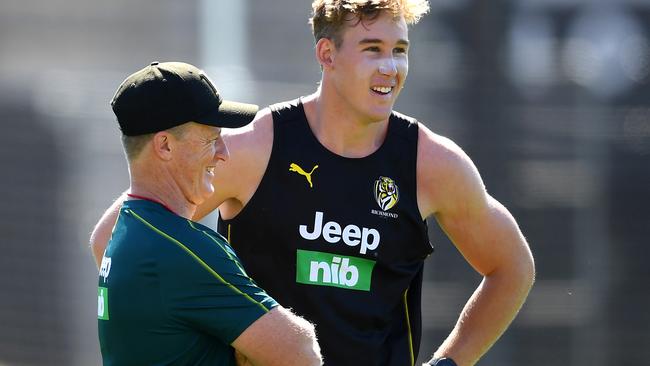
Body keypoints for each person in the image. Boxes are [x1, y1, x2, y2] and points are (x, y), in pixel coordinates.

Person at [91, 1, 536, 365]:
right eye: (372, 48)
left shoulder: (431, 162)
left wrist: (449, 364)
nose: (390, 67)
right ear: (327, 54)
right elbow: (120, 240)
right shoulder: (257, 147)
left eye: (400, 50)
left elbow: (512, 268)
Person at [95, 61, 322, 366]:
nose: (224, 152)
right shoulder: (179, 250)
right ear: (164, 145)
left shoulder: (127, 228)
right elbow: (301, 352)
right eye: (211, 139)